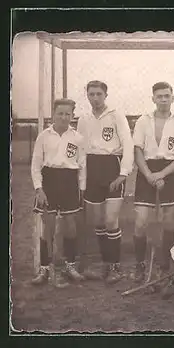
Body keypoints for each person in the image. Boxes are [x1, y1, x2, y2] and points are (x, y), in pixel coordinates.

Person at [130, 82, 174, 282]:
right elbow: (137, 150)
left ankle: (164, 264)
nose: (163, 99)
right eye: (159, 96)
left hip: (170, 172)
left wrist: (162, 174)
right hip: (146, 171)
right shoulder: (143, 121)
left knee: (169, 221)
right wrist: (149, 175)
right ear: (153, 98)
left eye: (167, 96)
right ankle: (140, 264)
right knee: (141, 221)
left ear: (172, 98)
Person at [76, 80, 134, 284]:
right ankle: (106, 264)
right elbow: (81, 150)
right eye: (91, 94)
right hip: (92, 169)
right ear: (87, 96)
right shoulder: (83, 119)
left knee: (111, 220)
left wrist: (124, 173)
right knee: (99, 222)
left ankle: (116, 266)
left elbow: (128, 143)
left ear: (105, 95)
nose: (95, 98)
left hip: (112, 167)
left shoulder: (116, 114)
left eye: (99, 94)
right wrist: (82, 181)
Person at [31, 98, 86, 288]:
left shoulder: (77, 138)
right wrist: (39, 189)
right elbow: (36, 165)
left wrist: (82, 190)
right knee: (48, 228)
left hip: (70, 182)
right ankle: (45, 268)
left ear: (72, 115)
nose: (64, 117)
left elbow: (82, 167)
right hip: (49, 182)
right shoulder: (44, 136)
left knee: (71, 227)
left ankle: (70, 266)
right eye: (60, 113)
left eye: (67, 114)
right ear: (53, 114)